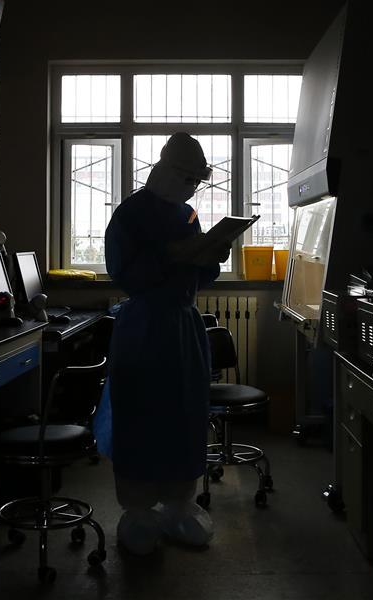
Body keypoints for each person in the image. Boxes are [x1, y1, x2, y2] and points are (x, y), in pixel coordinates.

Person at [104, 132, 230, 555]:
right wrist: (169, 256)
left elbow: (197, 276)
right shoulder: (130, 215)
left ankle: (179, 503)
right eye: (185, 177)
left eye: (197, 179)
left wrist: (211, 257)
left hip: (183, 329)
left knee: (185, 416)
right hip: (143, 330)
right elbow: (125, 274)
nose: (191, 186)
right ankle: (138, 510)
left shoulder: (188, 215)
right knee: (141, 417)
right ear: (162, 168)